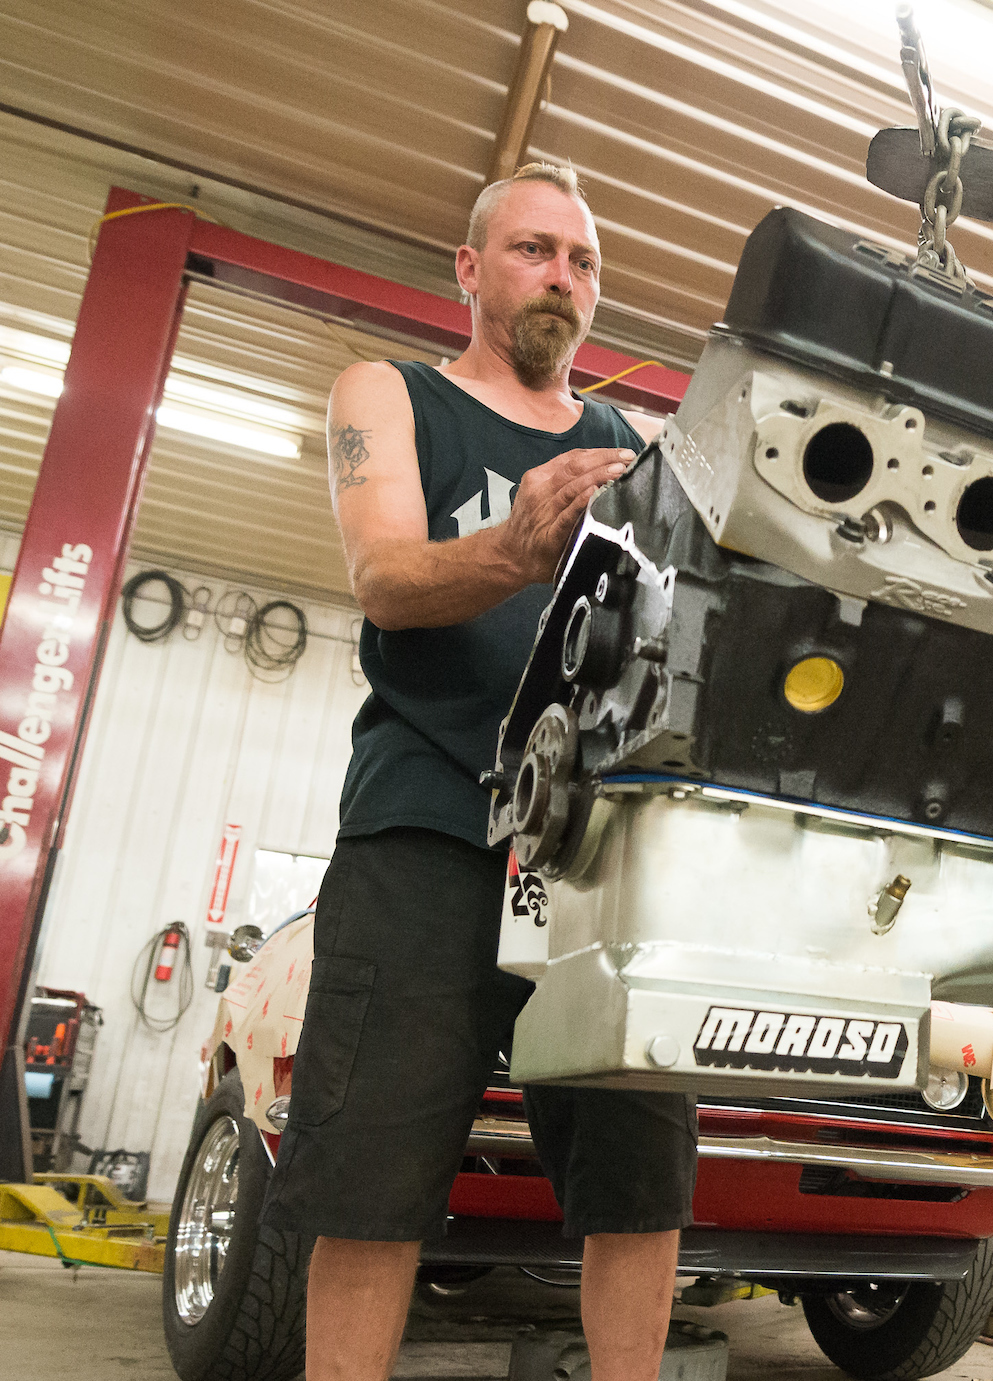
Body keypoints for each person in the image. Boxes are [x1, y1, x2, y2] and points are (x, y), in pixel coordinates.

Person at [263, 163, 696, 1381]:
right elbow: (385, 578)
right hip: (428, 826)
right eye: (534, 249)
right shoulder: (389, 394)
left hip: (592, 855)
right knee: (371, 1173)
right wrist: (517, 544)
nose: (563, 275)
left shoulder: (629, 447)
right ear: (468, 267)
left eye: (584, 261)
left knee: (640, 1170)